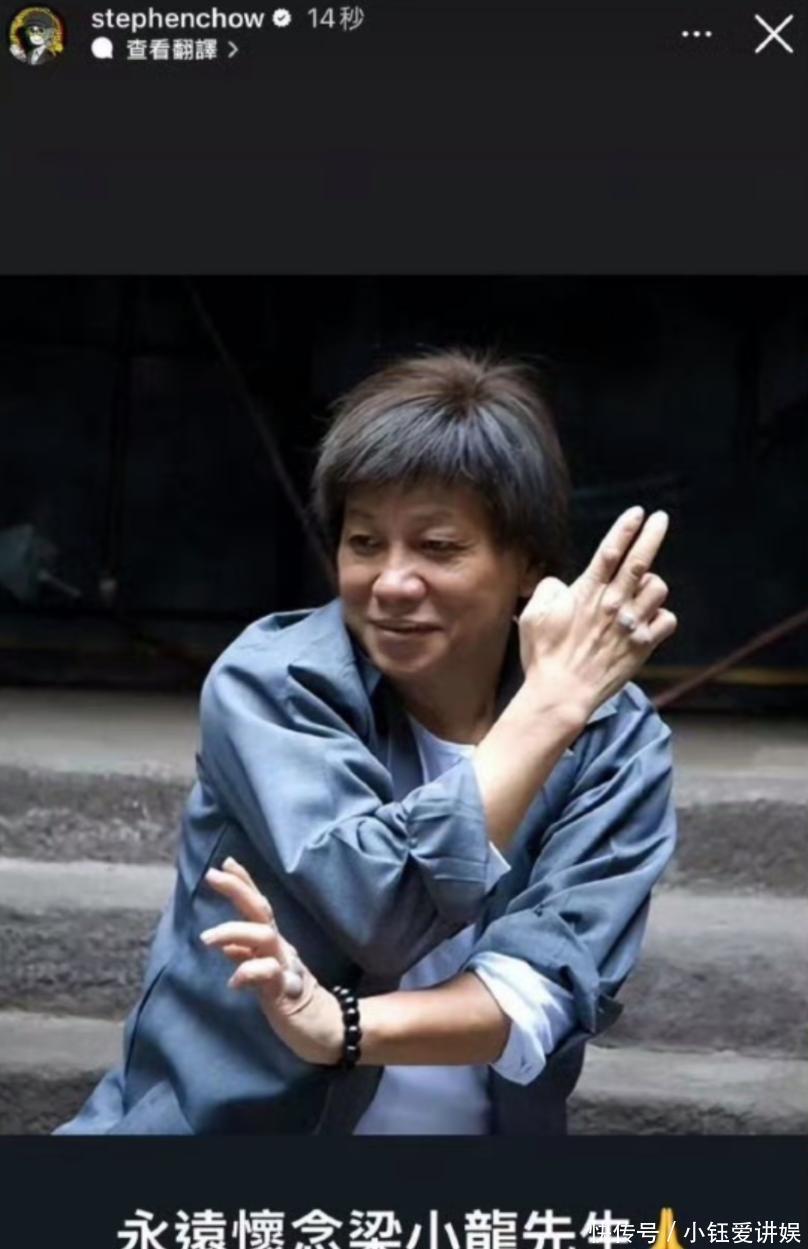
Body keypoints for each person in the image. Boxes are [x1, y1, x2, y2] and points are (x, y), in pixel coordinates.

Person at [56, 349, 677, 1135]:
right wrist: (550, 705)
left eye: (438, 546)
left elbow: (548, 982)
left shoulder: (615, 738)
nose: (391, 582)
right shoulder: (276, 680)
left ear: (527, 566)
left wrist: (341, 1026)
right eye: (364, 542)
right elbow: (382, 905)